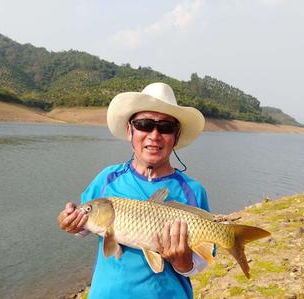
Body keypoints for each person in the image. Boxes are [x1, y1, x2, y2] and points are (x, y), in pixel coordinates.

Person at [58, 82, 210, 299]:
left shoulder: (193, 191)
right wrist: (69, 223)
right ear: (130, 130)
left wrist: (182, 260)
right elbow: (84, 225)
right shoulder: (107, 178)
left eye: (166, 127)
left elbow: (200, 264)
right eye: (144, 124)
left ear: (175, 137)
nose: (154, 135)